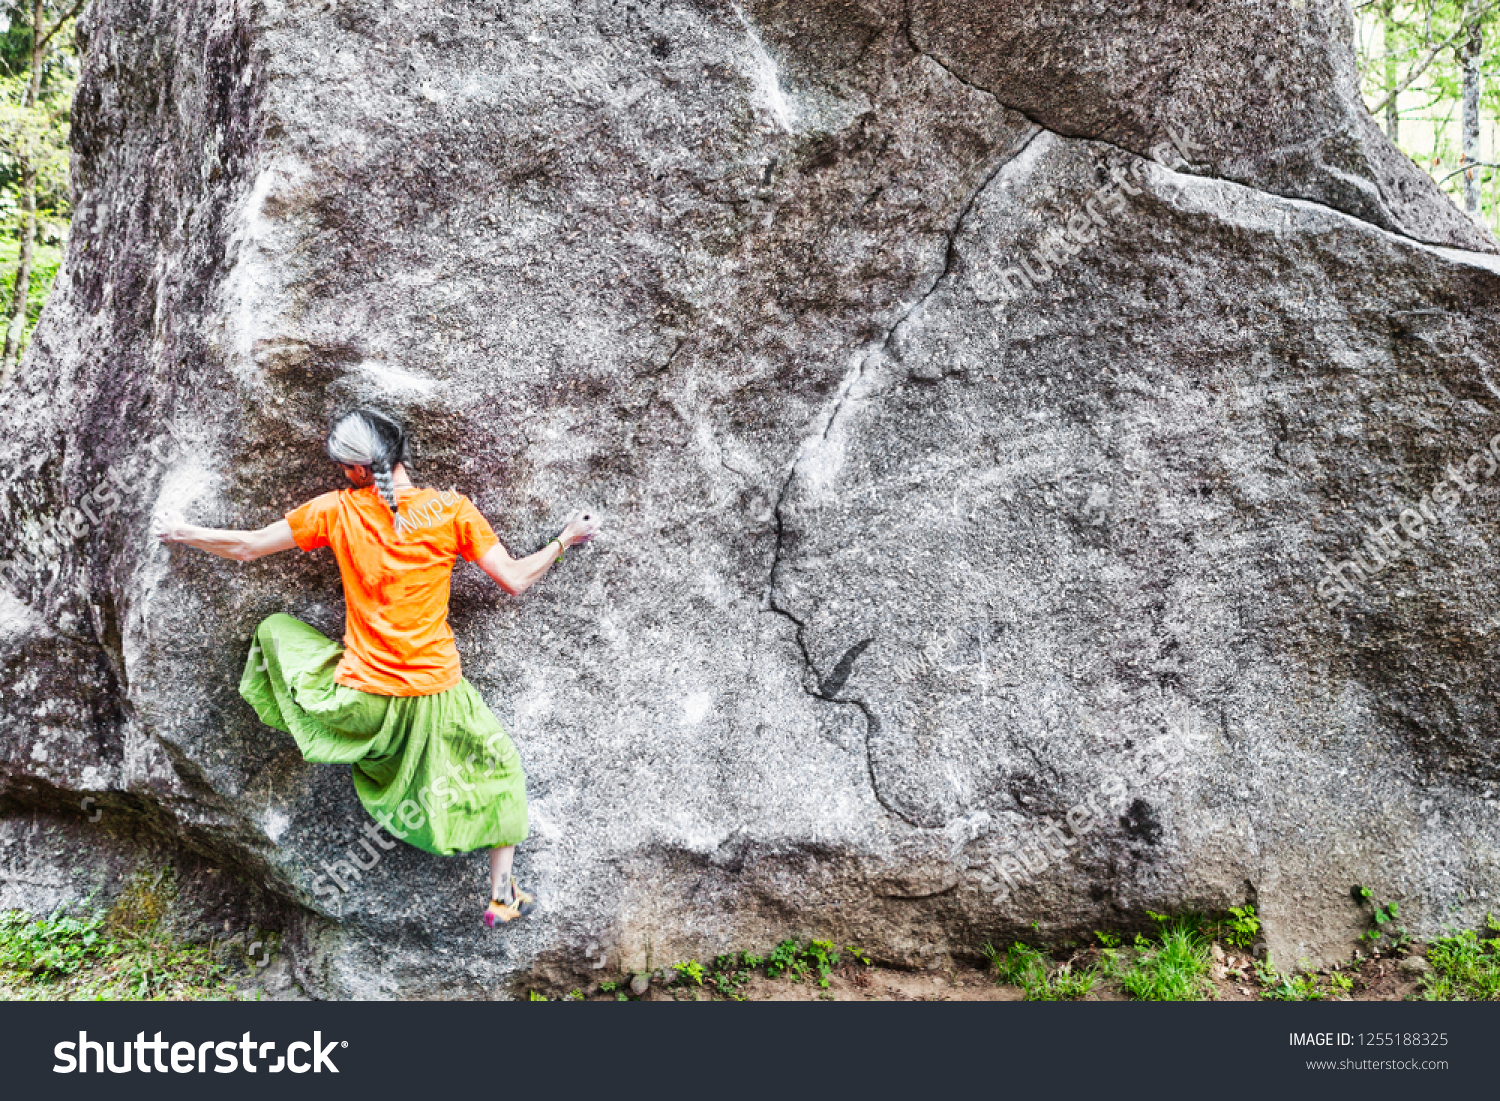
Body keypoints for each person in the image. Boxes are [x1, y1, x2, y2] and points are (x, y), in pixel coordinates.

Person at [152, 408, 600, 927]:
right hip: (435, 697)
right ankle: (502, 894)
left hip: (362, 704)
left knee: (274, 629)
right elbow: (516, 579)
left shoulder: (337, 511)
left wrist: (181, 531)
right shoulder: (451, 511)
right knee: (500, 772)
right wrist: (566, 538)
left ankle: (337, 740)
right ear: (402, 449)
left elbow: (248, 548)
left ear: (355, 470)